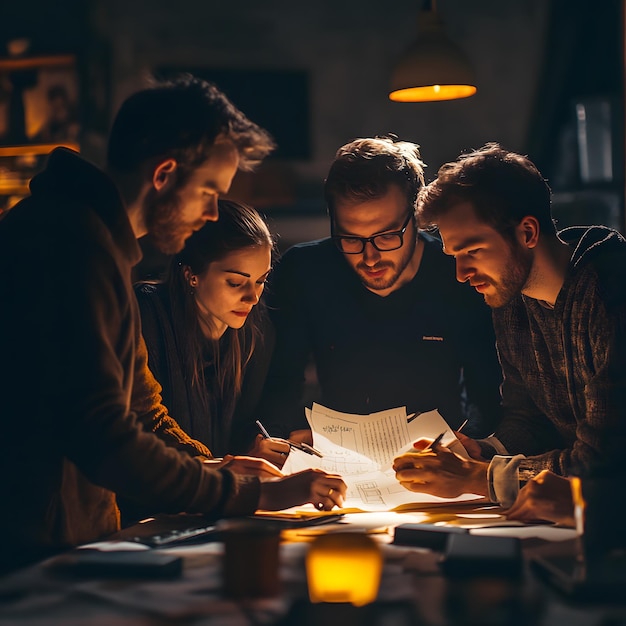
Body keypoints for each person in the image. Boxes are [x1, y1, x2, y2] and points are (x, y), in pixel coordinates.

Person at [0, 75, 346, 575]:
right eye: (208, 192)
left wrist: (216, 465)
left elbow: (144, 410)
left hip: (69, 535)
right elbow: (104, 434)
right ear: (164, 174)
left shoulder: (99, 242)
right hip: (32, 546)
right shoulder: (71, 246)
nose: (210, 215)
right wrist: (246, 492)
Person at [393, 142, 626, 508]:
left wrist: (476, 477)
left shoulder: (609, 295)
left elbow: (601, 465)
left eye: (472, 251)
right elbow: (528, 419)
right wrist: (481, 451)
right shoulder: (512, 299)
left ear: (528, 233)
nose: (461, 274)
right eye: (455, 256)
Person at [259, 135, 502, 443]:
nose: (370, 257)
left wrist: (475, 443)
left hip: (440, 455)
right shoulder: (305, 271)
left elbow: (488, 393)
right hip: (340, 454)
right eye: (350, 238)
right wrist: (280, 439)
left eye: (387, 236)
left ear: (417, 218)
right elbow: (280, 383)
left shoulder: (457, 274)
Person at [135, 199, 289, 468]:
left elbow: (245, 426)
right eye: (235, 282)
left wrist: (256, 447)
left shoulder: (257, 333)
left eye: (261, 280)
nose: (252, 297)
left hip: (219, 494)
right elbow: (140, 435)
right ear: (191, 275)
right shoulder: (145, 316)